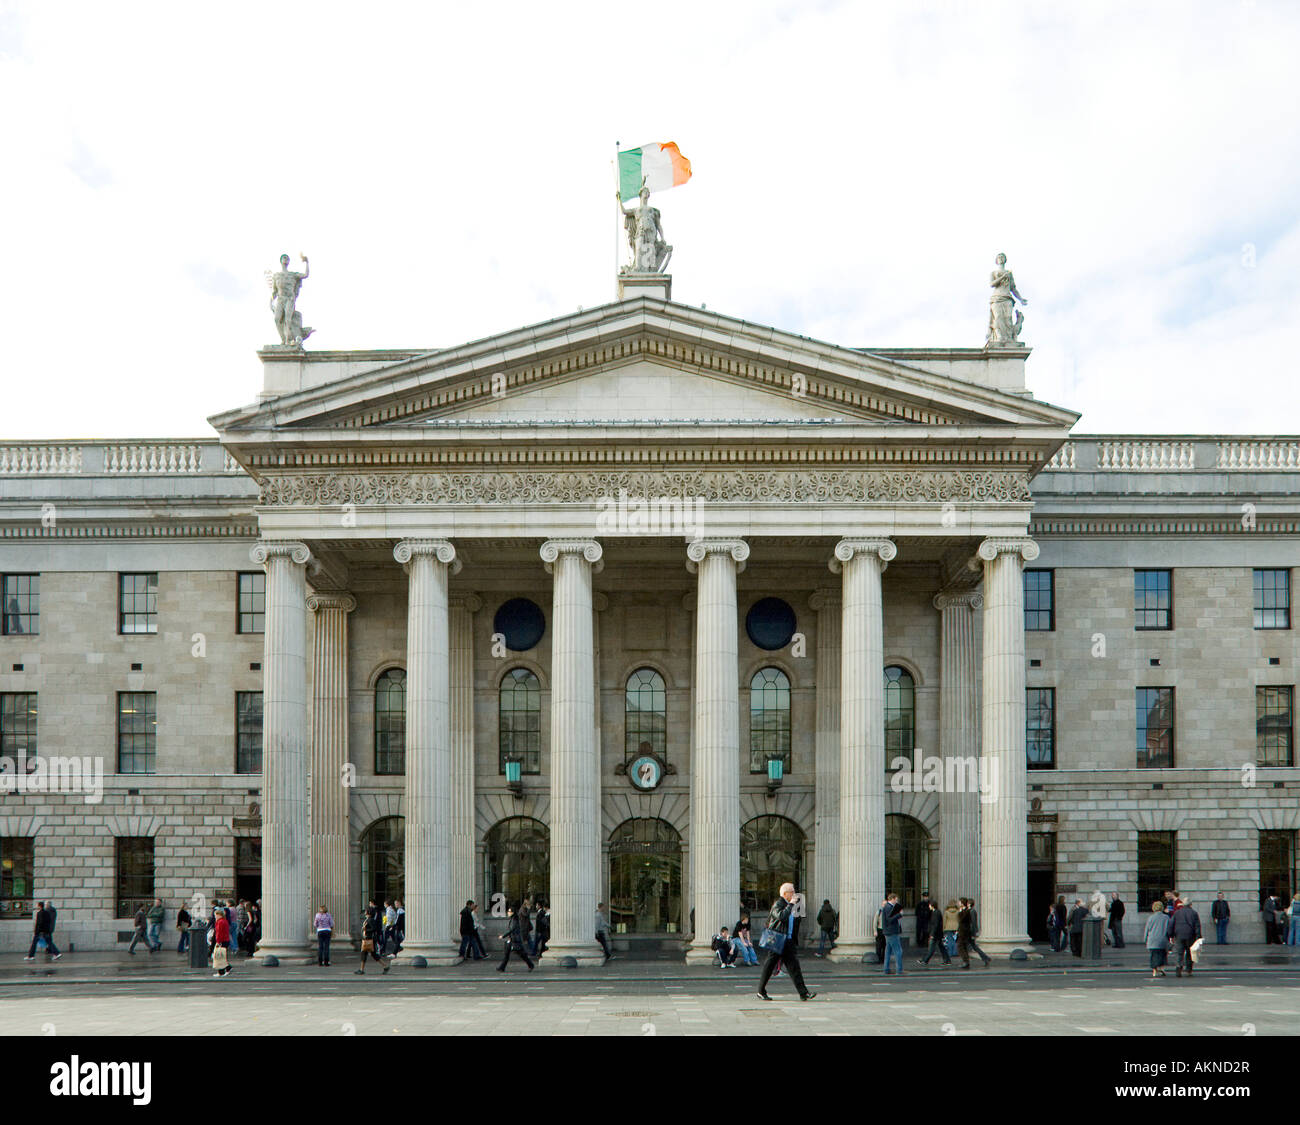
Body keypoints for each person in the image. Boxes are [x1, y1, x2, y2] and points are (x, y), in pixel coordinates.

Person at [756, 882, 816, 1002]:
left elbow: (794, 922)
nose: (794, 894)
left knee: (794, 967)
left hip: (788, 941)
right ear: (785, 893)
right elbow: (781, 916)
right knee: (769, 966)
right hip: (778, 940)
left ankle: (803, 993)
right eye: (792, 892)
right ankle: (761, 991)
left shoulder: (791, 905)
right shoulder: (778, 904)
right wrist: (792, 905)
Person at [497, 904, 534, 972]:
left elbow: (512, 930)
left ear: (513, 912)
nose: (508, 912)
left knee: (521, 954)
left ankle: (530, 964)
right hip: (512, 940)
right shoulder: (512, 919)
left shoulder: (515, 920)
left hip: (515, 940)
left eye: (509, 911)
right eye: (508, 911)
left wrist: (503, 936)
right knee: (507, 954)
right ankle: (502, 967)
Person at [355, 904, 390, 975]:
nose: (365, 912)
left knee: (365, 954)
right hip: (368, 939)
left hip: (369, 939)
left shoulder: (370, 920)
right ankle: (385, 966)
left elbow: (374, 929)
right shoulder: (369, 920)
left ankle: (362, 969)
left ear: (369, 912)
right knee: (371, 954)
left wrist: (366, 930)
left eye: (366, 911)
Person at [1171, 896, 1202, 977]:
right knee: (1189, 952)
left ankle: (1178, 967)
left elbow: (1172, 924)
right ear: (1191, 904)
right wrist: (1198, 937)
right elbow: (1197, 926)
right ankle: (1189, 970)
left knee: (1179, 953)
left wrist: (1170, 935)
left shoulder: (1177, 913)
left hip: (1179, 935)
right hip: (1190, 935)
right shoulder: (1194, 913)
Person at [958, 898, 992, 968]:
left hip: (969, 933)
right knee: (973, 946)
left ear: (969, 904)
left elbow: (973, 923)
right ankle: (985, 958)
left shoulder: (971, 911)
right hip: (968, 932)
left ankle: (984, 958)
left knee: (971, 946)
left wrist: (973, 933)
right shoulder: (969, 911)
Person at [918, 896, 951, 966]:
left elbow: (935, 924)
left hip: (935, 934)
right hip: (937, 934)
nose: (929, 906)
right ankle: (947, 960)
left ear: (932, 906)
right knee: (941, 947)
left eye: (930, 905)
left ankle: (925, 960)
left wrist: (932, 934)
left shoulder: (936, 913)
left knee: (931, 948)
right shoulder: (934, 912)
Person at [1145, 899, 1172, 978]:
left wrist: (1145, 939)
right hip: (1162, 940)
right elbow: (1169, 929)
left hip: (1152, 940)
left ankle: (1154, 970)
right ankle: (1161, 968)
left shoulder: (1150, 918)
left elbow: (1147, 929)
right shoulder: (1166, 917)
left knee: (1153, 955)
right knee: (1162, 955)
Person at [880, 893, 904, 975]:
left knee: (888, 951)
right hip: (892, 932)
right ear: (892, 899)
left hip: (888, 932)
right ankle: (899, 970)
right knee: (898, 951)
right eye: (896, 900)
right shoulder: (889, 907)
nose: (896, 901)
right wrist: (899, 915)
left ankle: (886, 969)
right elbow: (890, 919)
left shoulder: (886, 907)